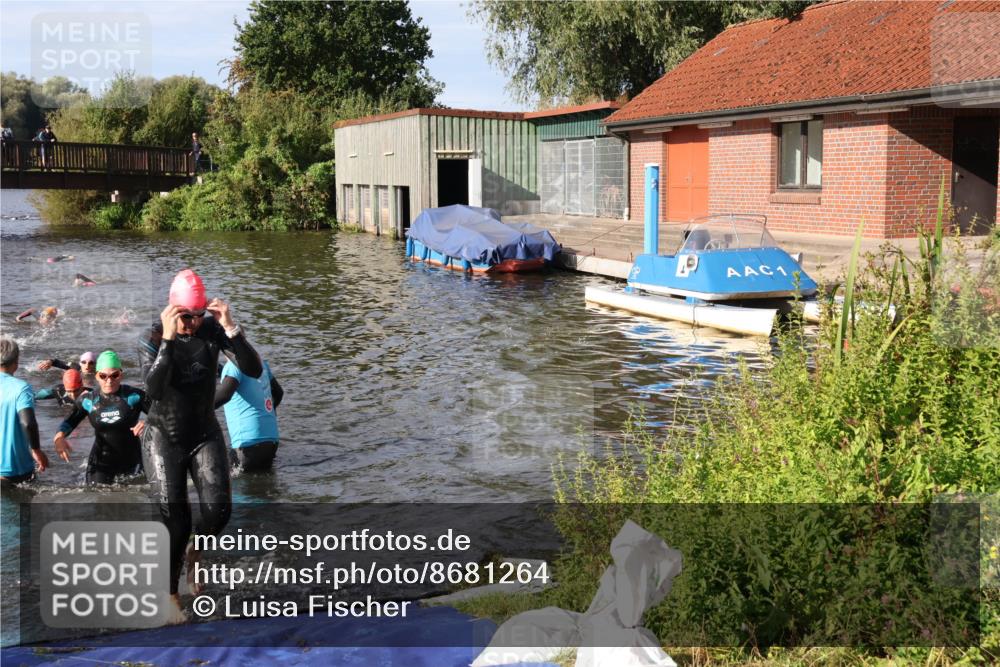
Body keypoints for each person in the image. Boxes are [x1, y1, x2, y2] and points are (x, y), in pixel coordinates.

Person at [138, 269, 262, 613]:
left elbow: (252, 369)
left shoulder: (212, 330)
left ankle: (196, 551)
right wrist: (167, 341)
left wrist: (231, 327)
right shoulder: (151, 336)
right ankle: (170, 595)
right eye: (184, 316)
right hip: (163, 437)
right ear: (171, 310)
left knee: (219, 512)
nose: (191, 323)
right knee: (175, 520)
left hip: (203, 433)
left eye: (196, 316)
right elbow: (153, 389)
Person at [54, 351, 148, 485]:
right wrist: (59, 437)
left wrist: (149, 422)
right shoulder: (88, 400)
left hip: (132, 460)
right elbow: (70, 421)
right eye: (103, 376)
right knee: (97, 496)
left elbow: (164, 415)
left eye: (114, 375)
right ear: (97, 376)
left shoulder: (135, 396)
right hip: (100, 462)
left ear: (121, 374)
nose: (109, 380)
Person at [1, 338, 64, 486]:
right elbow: (28, 423)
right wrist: (36, 450)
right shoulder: (21, 388)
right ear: (16, 362)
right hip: (14, 471)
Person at [216, 356, 283, 472]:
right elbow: (278, 393)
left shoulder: (232, 367)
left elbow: (224, 395)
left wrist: (197, 411)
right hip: (271, 442)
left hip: (247, 443)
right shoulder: (261, 363)